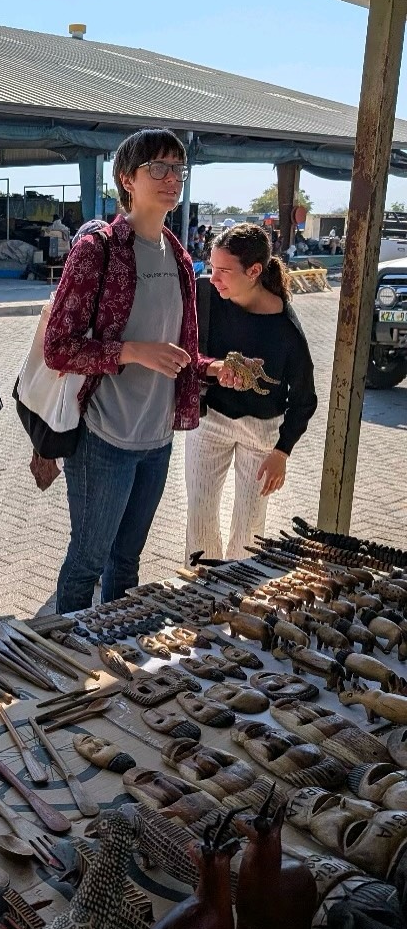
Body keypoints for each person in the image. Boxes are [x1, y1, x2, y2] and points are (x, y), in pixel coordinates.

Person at [43, 127, 233, 615]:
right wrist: (132, 351)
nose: (172, 179)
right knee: (87, 562)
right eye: (159, 168)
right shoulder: (99, 248)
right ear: (127, 178)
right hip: (104, 437)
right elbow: (58, 348)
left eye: (179, 169)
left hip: (156, 439)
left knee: (127, 564)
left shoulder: (181, 256)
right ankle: (66, 656)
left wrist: (212, 369)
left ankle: (112, 656)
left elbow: (177, 348)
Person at [184, 223, 317, 562]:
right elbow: (189, 352)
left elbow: (304, 399)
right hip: (210, 419)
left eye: (224, 271)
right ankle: (198, 593)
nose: (214, 278)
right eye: (212, 267)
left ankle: (236, 599)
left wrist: (282, 452)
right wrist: (215, 367)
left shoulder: (286, 330)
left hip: (262, 432)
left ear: (254, 271)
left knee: (249, 528)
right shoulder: (207, 297)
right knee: (199, 516)